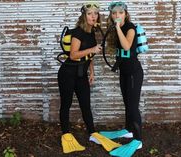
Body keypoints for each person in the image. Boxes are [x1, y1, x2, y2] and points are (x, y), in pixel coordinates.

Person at [57, 2, 120, 154]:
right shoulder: (78, 32)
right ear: (84, 16)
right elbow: (73, 54)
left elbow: (89, 56)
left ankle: (92, 132)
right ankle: (66, 134)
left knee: (86, 104)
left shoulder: (91, 32)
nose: (93, 16)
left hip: (81, 75)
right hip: (68, 73)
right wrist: (92, 49)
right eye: (90, 13)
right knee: (66, 103)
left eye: (96, 13)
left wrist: (91, 72)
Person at [99, 1, 144, 157]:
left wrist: (118, 28)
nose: (117, 15)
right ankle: (129, 130)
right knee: (127, 103)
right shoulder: (115, 28)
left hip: (133, 72)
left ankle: (138, 140)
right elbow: (119, 52)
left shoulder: (130, 28)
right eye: (114, 13)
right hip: (124, 72)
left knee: (132, 106)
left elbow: (126, 46)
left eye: (120, 12)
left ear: (125, 13)